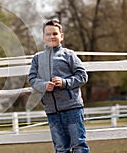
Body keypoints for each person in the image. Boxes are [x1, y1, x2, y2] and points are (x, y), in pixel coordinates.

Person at [28, 19, 90, 153]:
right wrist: (44, 85)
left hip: (72, 108)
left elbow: (82, 76)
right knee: (61, 148)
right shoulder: (37, 58)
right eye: (48, 34)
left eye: (55, 34)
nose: (51, 37)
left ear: (61, 36)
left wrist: (64, 82)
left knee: (79, 145)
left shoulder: (69, 55)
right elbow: (32, 79)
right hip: (52, 111)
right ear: (43, 37)